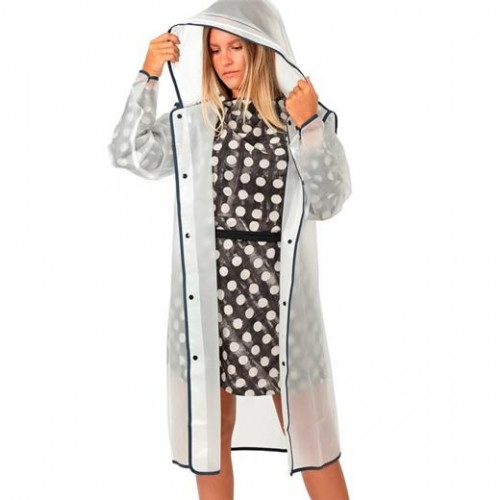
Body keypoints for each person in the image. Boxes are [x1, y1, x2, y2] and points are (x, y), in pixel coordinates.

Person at [109, 2, 352, 499]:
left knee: (309, 435)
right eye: (215, 50)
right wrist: (148, 74)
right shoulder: (199, 123)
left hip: (277, 306)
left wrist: (309, 125)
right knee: (211, 434)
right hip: (211, 303)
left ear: (262, 50)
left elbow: (328, 200)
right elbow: (129, 151)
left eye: (236, 47)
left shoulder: (297, 119)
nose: (224, 60)